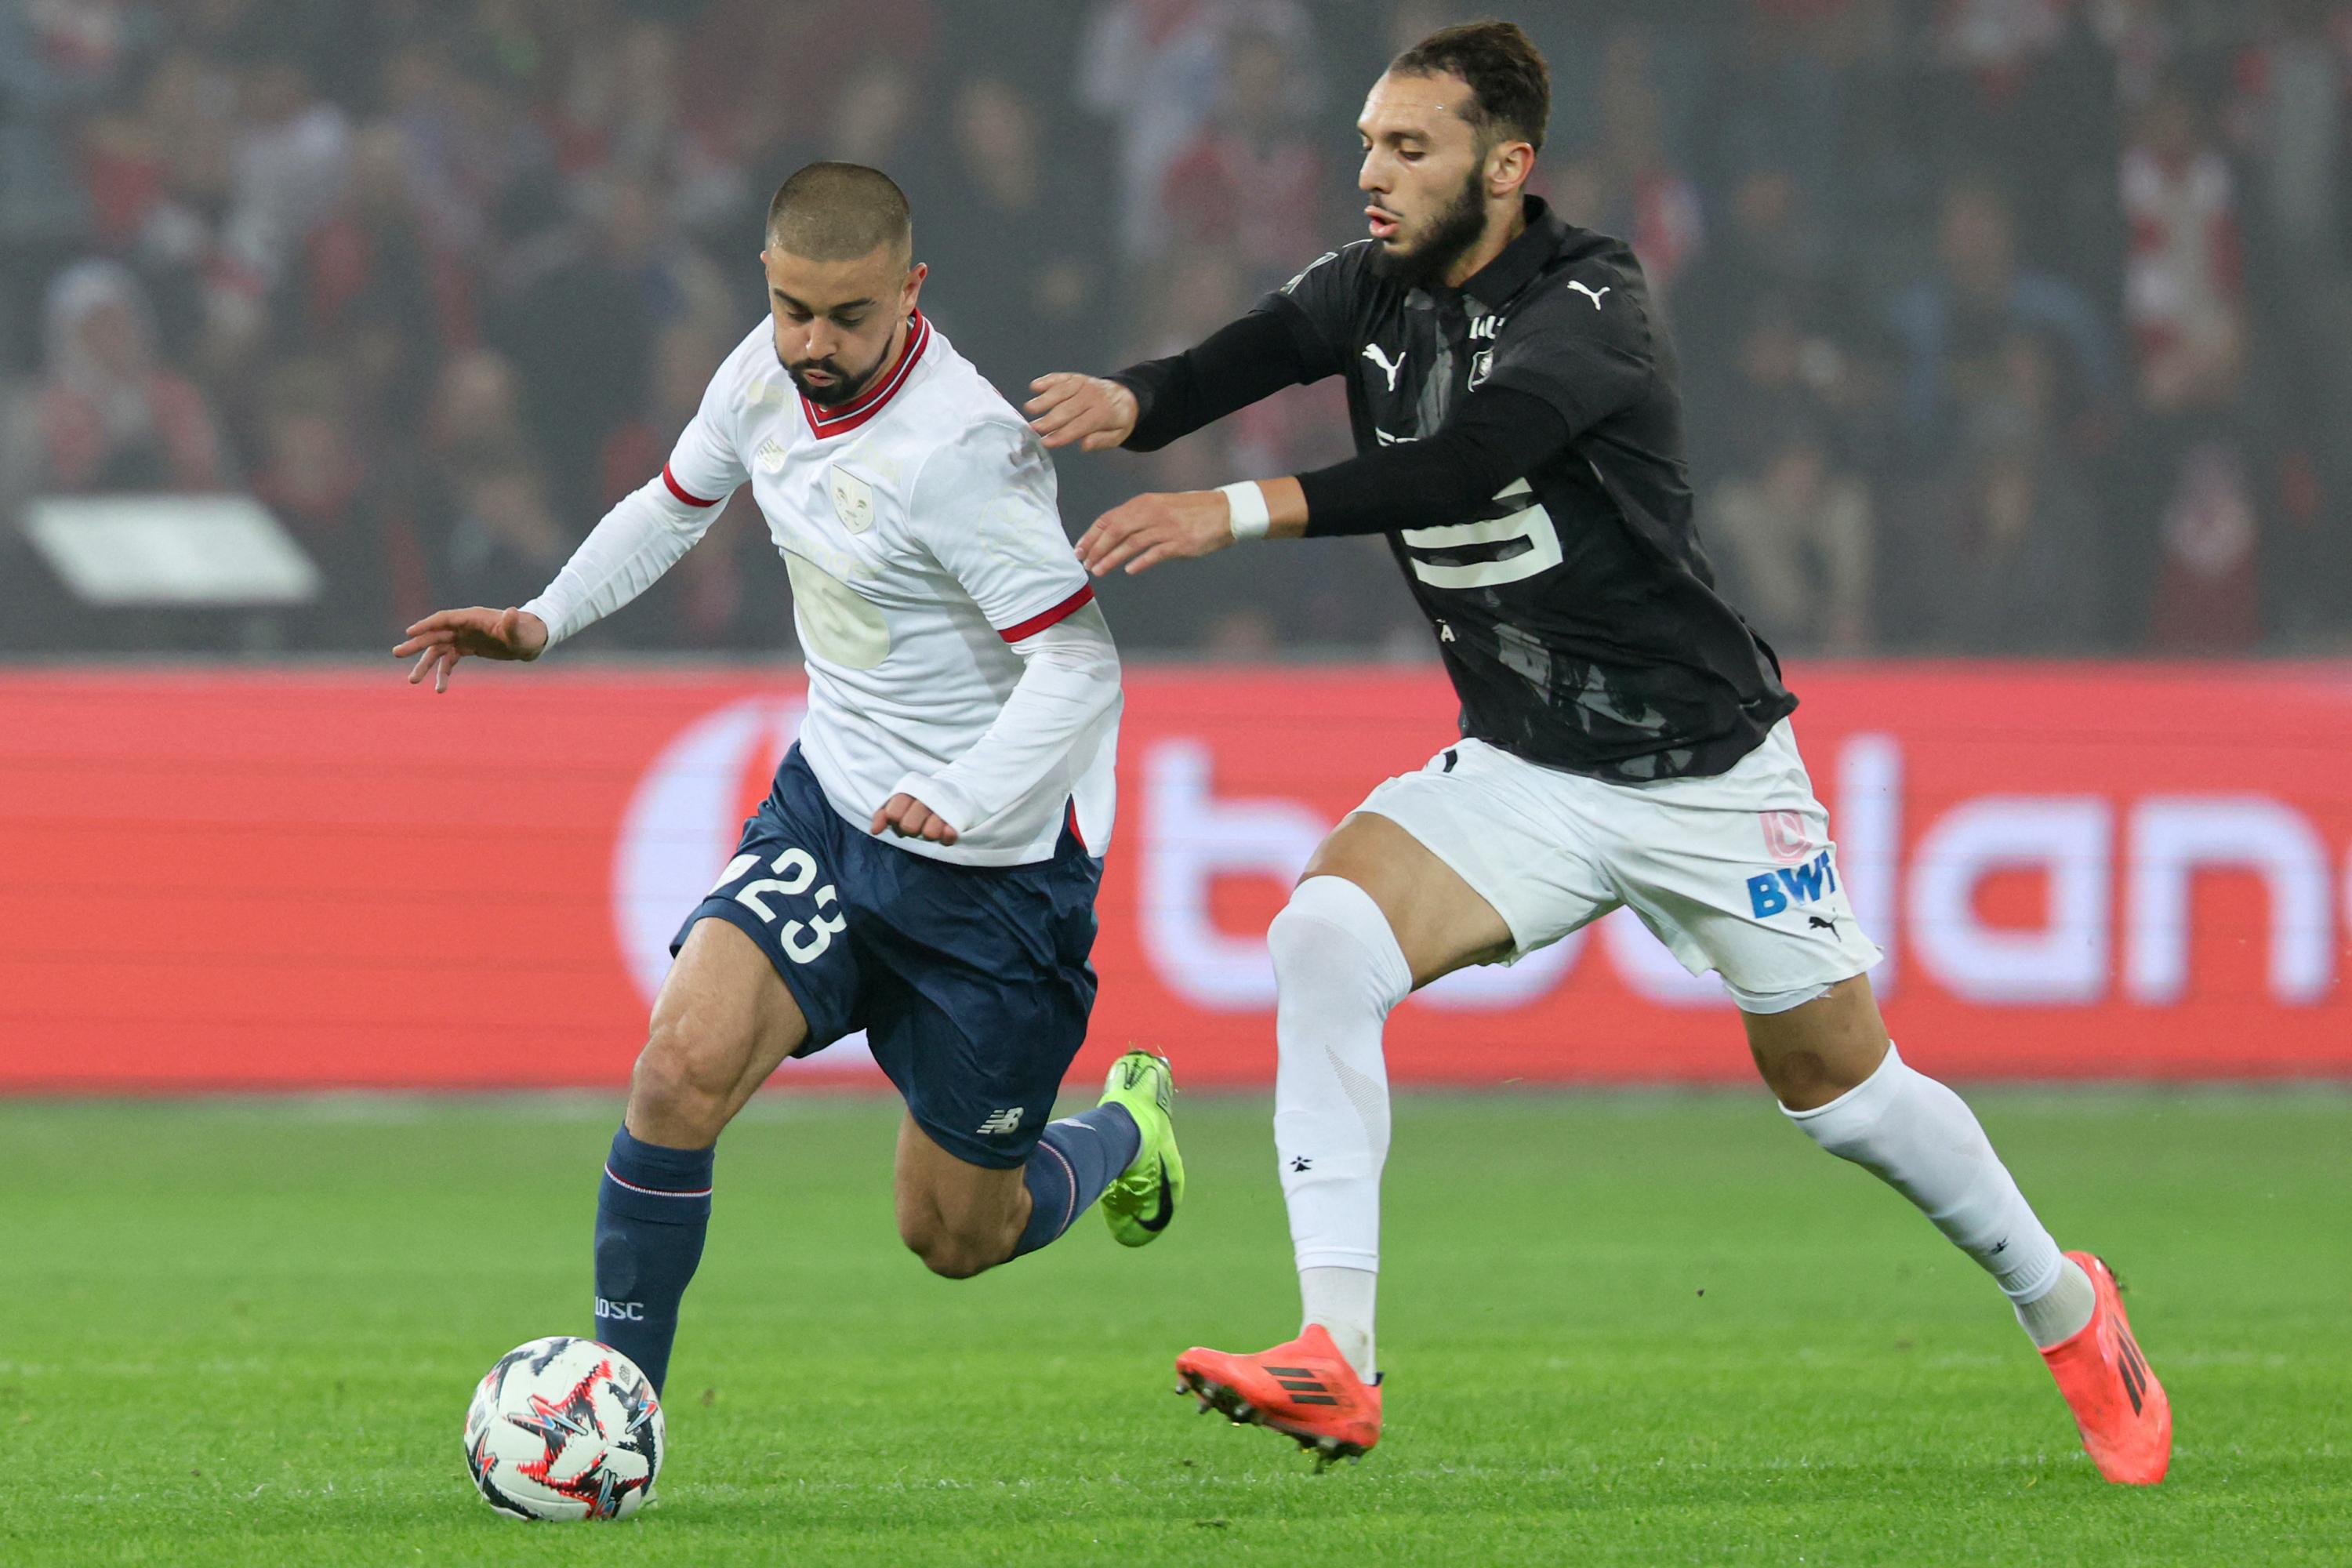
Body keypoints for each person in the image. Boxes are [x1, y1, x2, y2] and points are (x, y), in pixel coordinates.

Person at [1027, 21, 2169, 1483]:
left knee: (1846, 1096)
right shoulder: (1372, 286)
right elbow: (1249, 349)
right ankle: (1336, 1356)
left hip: (1703, 773)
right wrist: (1137, 404)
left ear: (1508, 168)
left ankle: (2070, 1309)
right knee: (1321, 936)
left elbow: (1465, 463)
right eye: (1369, 141)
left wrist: (1226, 510)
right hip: (1522, 769)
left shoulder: (1594, 301)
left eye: (1411, 147)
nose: (1371, 170)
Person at [394, 162, 1183, 1401]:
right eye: (795, 309)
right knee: (677, 1070)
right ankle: (618, 1415)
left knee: (954, 1236)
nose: (815, 345)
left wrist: (967, 798)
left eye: (850, 318)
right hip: (834, 810)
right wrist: (541, 620)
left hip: (997, 871)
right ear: (769, 281)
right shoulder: (760, 373)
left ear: (911, 292)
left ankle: (1128, 1127)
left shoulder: (965, 451)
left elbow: (1082, 672)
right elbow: (673, 504)